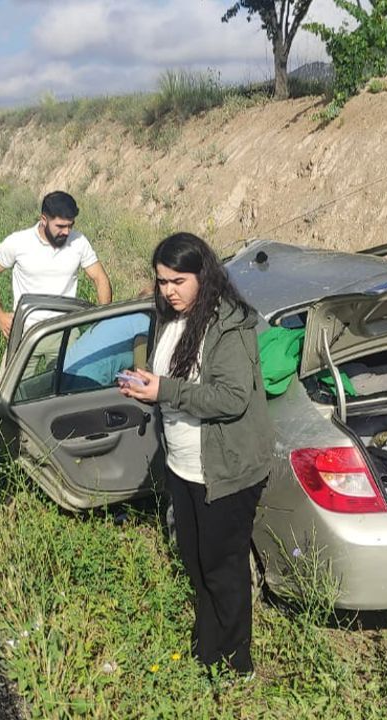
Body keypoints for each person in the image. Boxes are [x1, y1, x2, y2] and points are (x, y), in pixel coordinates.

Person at [119, 232, 274, 676]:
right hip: (182, 465)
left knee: (223, 570)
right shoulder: (169, 318)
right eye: (162, 281)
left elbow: (231, 398)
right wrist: (145, 387)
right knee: (195, 560)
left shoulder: (228, 323)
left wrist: (164, 390)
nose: (168, 290)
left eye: (178, 281)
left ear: (203, 275)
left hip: (224, 469)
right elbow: (171, 382)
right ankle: (208, 650)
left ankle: (235, 665)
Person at [0, 191, 112, 339]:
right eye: (60, 226)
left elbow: (101, 278)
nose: (66, 232)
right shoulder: (18, 242)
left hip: (64, 331)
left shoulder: (79, 242)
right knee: (12, 364)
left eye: (70, 225)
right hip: (25, 332)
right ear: (44, 219)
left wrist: (103, 323)